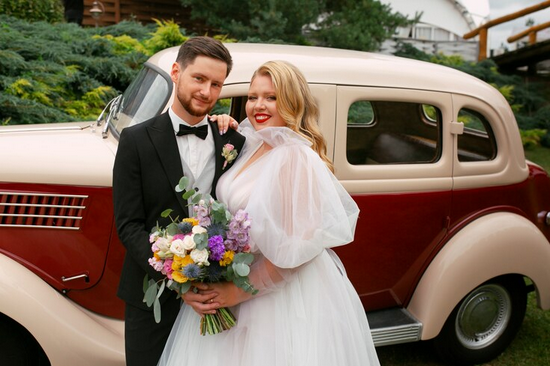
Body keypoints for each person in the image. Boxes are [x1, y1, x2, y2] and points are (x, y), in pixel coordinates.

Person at [157, 61, 381, 366]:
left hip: (275, 298)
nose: (258, 106)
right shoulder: (254, 142)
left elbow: (297, 251)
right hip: (237, 278)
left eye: (271, 97)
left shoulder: (296, 156)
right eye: (252, 97)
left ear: (291, 101)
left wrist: (236, 293)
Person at [113, 36, 245, 366]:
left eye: (216, 84)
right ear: (176, 72)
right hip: (152, 295)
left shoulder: (232, 139)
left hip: (215, 295)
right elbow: (128, 226)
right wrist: (178, 279)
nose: (206, 92)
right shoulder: (136, 141)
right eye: (198, 78)